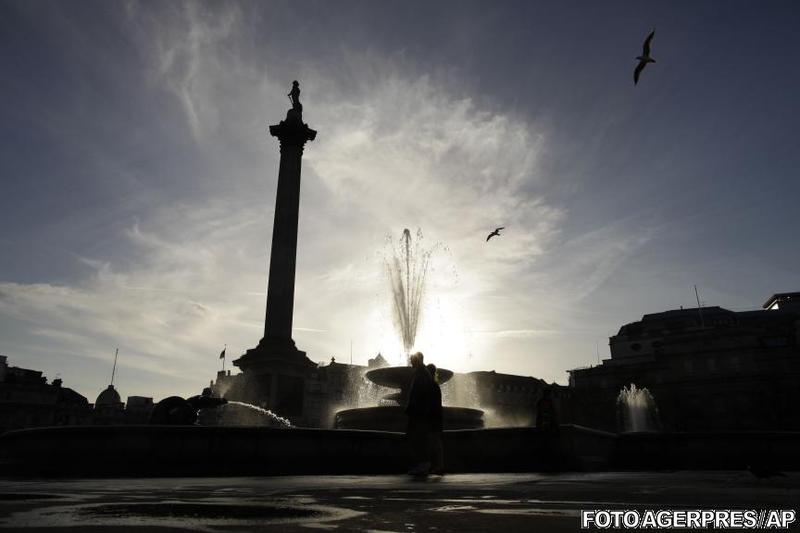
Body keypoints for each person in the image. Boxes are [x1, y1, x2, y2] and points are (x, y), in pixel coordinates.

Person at [405, 352, 434, 475]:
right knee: (415, 437)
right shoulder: (421, 373)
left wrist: (413, 407)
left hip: (419, 412)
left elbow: (420, 394)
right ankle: (420, 463)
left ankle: (423, 464)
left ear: (418, 360)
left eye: (412, 360)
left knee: (418, 437)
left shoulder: (422, 374)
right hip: (418, 411)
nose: (410, 362)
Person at [426, 363, 445, 475]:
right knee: (435, 442)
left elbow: (431, 403)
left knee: (434, 442)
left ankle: (438, 466)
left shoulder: (432, 385)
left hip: (433, 417)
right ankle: (437, 466)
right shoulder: (435, 385)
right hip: (436, 417)